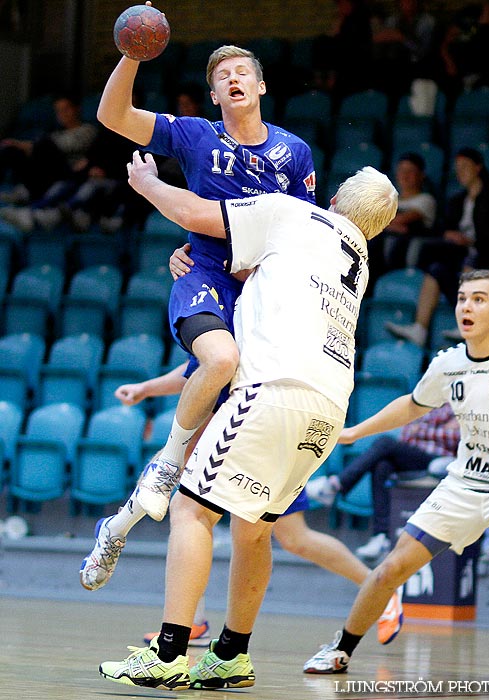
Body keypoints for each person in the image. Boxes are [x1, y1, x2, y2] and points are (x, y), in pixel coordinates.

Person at [98, 154, 398, 691]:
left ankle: (166, 654)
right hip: (328, 408)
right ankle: (232, 654)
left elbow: (195, 212)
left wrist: (146, 183)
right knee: (255, 529)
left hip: (272, 391)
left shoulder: (293, 214)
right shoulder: (358, 255)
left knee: (190, 511)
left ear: (331, 199)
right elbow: (252, 271)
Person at [79, 42, 317, 603]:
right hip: (206, 278)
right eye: (223, 77)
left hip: (263, 307)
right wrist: (132, 55)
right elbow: (113, 117)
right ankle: (163, 465)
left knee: (238, 516)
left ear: (260, 87)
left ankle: (116, 528)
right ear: (214, 95)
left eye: (243, 73)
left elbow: (306, 231)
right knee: (219, 361)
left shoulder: (295, 152)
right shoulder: (195, 135)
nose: (234, 80)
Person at [303, 269, 489, 689]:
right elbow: (413, 405)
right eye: (463, 298)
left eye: (479, 299)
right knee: (392, 566)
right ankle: (341, 647)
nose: (467, 306)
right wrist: (357, 431)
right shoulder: (449, 363)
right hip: (463, 483)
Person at [112, 366, 402, 648]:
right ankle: (194, 623)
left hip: (258, 430)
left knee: (290, 537)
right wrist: (146, 388)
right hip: (237, 430)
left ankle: (379, 588)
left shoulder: (252, 326)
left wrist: (146, 389)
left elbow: (212, 362)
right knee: (193, 518)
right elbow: (198, 365)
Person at [387, 147, 489, 346]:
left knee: (471, 260)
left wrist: (472, 241)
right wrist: (449, 235)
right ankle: (420, 329)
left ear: (478, 167)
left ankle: (471, 322)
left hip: (484, 253)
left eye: (465, 167)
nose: (460, 172)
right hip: (457, 252)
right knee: (435, 269)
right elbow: (442, 227)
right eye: (458, 168)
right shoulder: (457, 200)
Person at [307, 403, 459, 561]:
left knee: (385, 443)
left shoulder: (463, 400)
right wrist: (437, 430)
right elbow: (406, 432)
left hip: (441, 460)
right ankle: (381, 537)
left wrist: (421, 429)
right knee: (382, 466)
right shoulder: (431, 401)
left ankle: (334, 485)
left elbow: (456, 436)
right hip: (415, 454)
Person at [0, 92, 97, 230]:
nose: (62, 114)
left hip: (71, 174)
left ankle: (28, 199)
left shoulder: (88, 130)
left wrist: (26, 145)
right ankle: (24, 191)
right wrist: (19, 146)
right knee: (10, 150)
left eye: (66, 109)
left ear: (76, 109)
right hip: (47, 174)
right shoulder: (55, 133)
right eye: (58, 111)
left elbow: (63, 146)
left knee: (43, 145)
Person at [374, 151, 437, 275]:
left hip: (405, 252)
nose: (405, 175)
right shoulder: (389, 199)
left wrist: (383, 223)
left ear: (421, 175)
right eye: (401, 170)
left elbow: (401, 220)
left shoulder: (426, 199)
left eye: (410, 171)